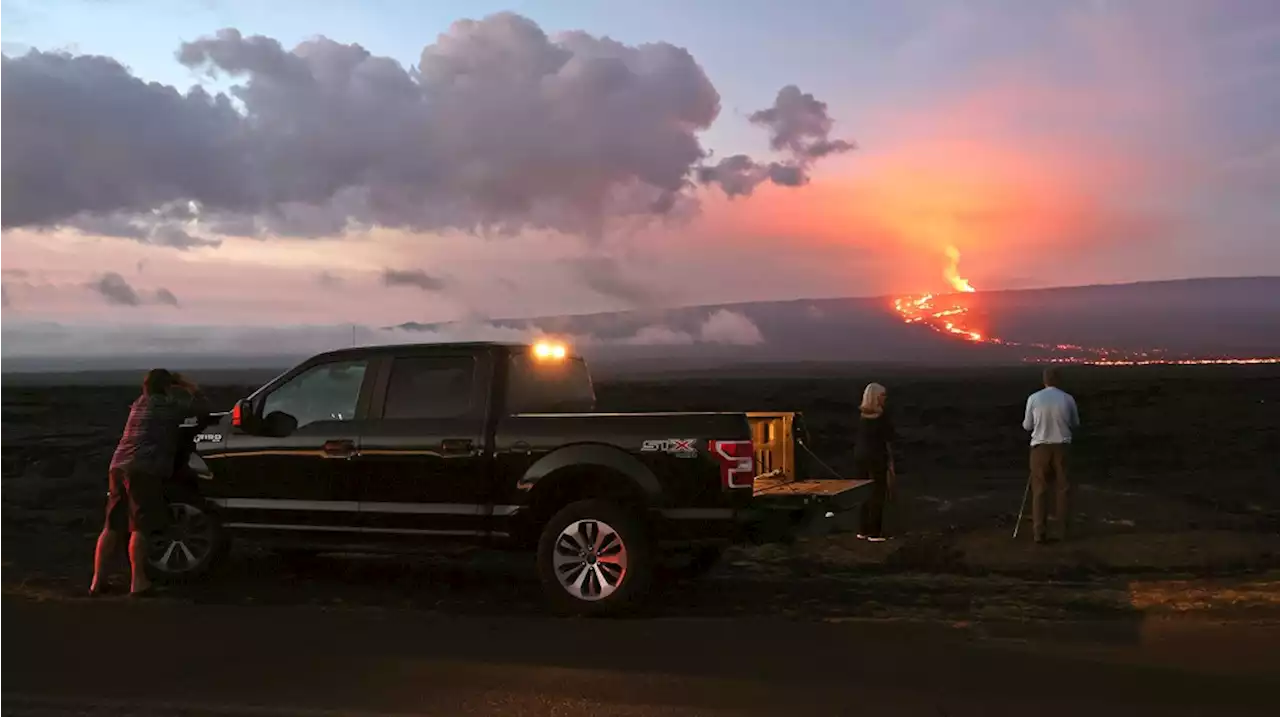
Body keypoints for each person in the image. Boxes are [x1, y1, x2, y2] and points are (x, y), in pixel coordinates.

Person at [90, 369, 209, 597]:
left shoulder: (138, 404)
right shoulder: (167, 407)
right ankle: (139, 582)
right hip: (144, 469)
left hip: (118, 465)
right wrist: (187, 386)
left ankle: (97, 581)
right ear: (168, 386)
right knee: (141, 525)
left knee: (112, 525)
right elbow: (202, 410)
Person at [1022, 366, 1080, 544]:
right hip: (1062, 447)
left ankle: (1039, 533)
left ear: (1044, 380)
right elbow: (1075, 423)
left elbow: (1027, 426)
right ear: (1059, 380)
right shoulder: (1067, 399)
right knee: (1063, 489)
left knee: (1040, 490)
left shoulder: (1034, 398)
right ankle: (1063, 532)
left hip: (1040, 449)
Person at [853, 382, 896, 542]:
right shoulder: (882, 417)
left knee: (864, 492)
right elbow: (890, 437)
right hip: (876, 457)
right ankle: (874, 532)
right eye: (883, 395)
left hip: (860, 456)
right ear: (876, 397)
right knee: (878, 493)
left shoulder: (862, 416)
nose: (885, 398)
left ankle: (863, 530)